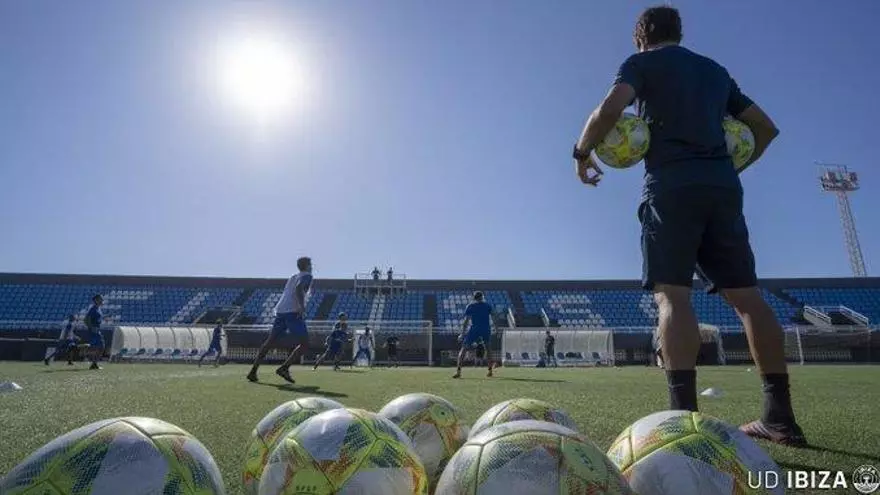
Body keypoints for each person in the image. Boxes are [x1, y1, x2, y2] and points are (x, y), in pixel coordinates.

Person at [571, 6, 805, 446]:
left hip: (671, 187)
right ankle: (780, 419)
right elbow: (765, 128)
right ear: (678, 33)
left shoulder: (641, 64)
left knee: (673, 296)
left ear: (641, 36)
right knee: (748, 299)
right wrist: (734, 167)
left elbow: (611, 108)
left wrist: (581, 153)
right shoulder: (715, 71)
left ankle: (683, 420)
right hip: (722, 188)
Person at [247, 257, 314, 384]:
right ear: (307, 266)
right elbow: (299, 288)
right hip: (292, 312)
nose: (312, 266)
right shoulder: (307, 275)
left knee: (269, 342)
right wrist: (301, 307)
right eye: (310, 264)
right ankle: (284, 368)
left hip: (280, 311)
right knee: (304, 344)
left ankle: (253, 371)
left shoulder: (293, 276)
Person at [453, 291, 494, 379]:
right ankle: (490, 371)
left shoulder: (470, 306)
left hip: (474, 329)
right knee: (488, 348)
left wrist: (462, 334)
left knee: (464, 349)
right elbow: (494, 317)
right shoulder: (487, 305)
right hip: (486, 329)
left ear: (474, 298)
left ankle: (458, 371)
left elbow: (466, 321)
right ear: (482, 297)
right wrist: (497, 328)